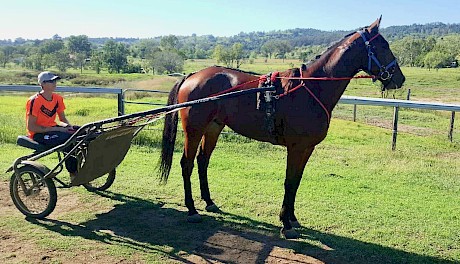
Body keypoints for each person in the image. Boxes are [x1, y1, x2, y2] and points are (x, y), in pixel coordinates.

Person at [26, 71, 78, 175]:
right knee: (68, 139)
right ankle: (73, 173)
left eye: (55, 81)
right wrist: (58, 129)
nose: (54, 83)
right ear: (43, 84)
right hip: (39, 134)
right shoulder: (34, 101)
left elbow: (62, 119)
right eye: (51, 81)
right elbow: (31, 127)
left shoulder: (58, 99)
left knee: (81, 132)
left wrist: (70, 127)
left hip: (53, 129)